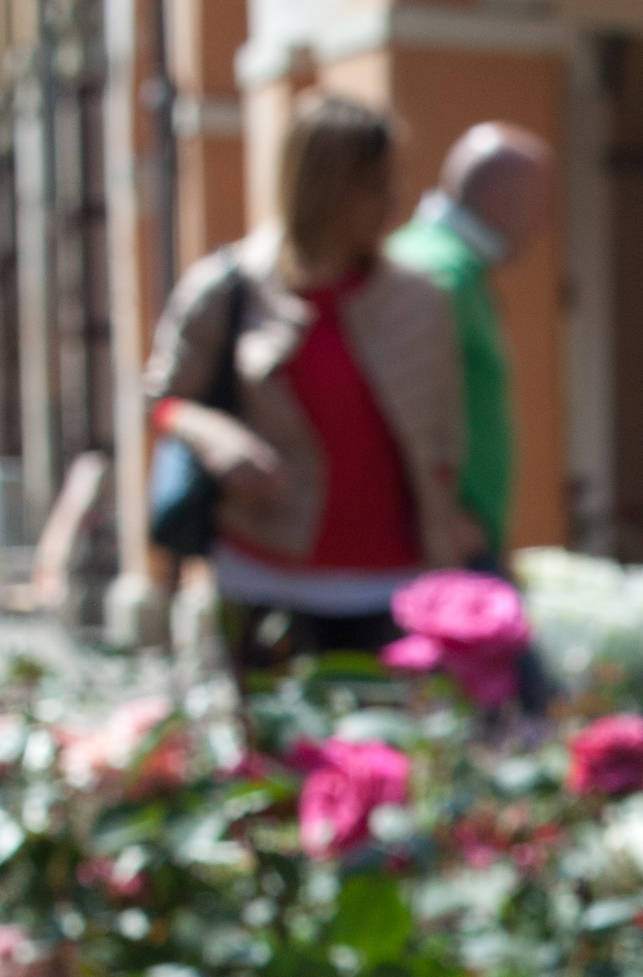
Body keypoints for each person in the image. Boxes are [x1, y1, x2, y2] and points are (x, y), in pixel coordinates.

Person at [145, 95, 473, 680]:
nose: (390, 201)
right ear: (326, 187)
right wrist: (215, 436)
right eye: (372, 185)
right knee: (273, 765)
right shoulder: (227, 289)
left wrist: (460, 523)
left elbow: (447, 433)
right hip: (266, 574)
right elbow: (165, 399)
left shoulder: (420, 302)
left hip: (392, 586)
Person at [390, 123, 555, 561]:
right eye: (540, 207)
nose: (544, 226)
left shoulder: (454, 267)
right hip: (444, 545)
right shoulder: (434, 272)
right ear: (500, 201)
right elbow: (394, 405)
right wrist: (442, 514)